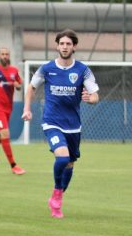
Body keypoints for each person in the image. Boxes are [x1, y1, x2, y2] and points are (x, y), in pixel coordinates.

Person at [22, 29, 99, 218]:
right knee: (62, 158)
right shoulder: (47, 68)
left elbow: (95, 95)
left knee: (70, 164)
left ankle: (58, 198)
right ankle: (57, 193)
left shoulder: (82, 70)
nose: (65, 47)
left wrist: (91, 98)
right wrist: (27, 109)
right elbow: (31, 87)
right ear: (57, 46)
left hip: (73, 125)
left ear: (74, 47)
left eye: (68, 44)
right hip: (52, 122)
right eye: (62, 43)